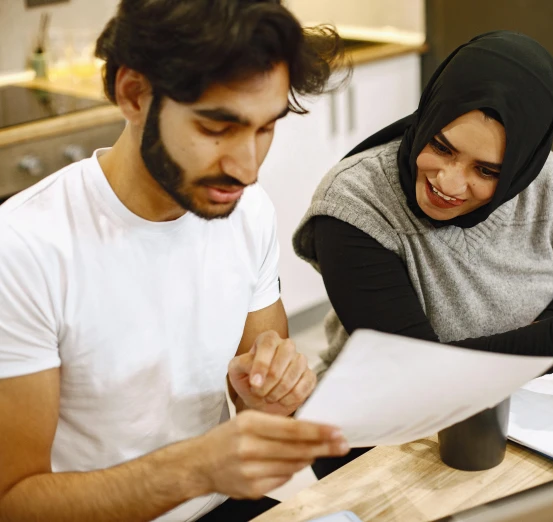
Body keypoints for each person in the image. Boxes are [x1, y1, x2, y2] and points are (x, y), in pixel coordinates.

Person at [0, 1, 351, 521]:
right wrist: (194, 469)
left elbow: (259, 399)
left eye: (264, 128)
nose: (247, 167)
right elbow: (14, 502)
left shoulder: (245, 209)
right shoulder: (25, 248)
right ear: (133, 93)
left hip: (218, 506)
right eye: (217, 128)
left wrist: (272, 390)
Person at [293, 31, 553, 478]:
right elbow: (414, 373)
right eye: (441, 146)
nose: (450, 183)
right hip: (385, 432)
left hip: (521, 411)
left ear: (522, 167)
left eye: (487, 171)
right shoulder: (357, 203)